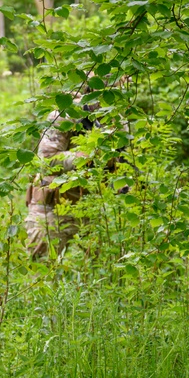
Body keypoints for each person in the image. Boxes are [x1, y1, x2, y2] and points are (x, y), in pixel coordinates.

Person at [24, 76, 131, 259]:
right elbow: (45, 161)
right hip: (53, 208)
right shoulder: (66, 114)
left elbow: (121, 162)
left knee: (103, 271)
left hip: (92, 208)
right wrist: (81, 157)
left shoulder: (116, 121)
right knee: (41, 272)